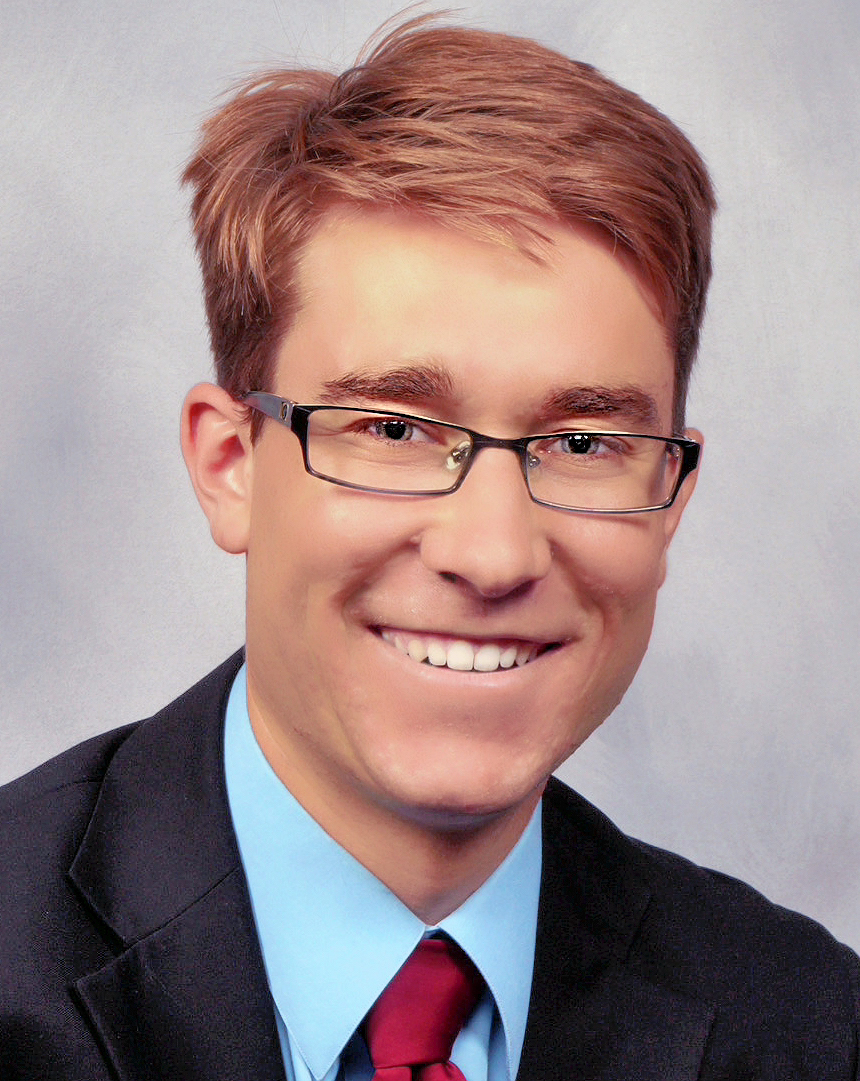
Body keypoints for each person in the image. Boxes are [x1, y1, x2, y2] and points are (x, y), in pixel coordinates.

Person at [1, 14, 857, 1081]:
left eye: (582, 443)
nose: (492, 555)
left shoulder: (811, 1028)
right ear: (230, 466)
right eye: (394, 430)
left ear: (669, 499)